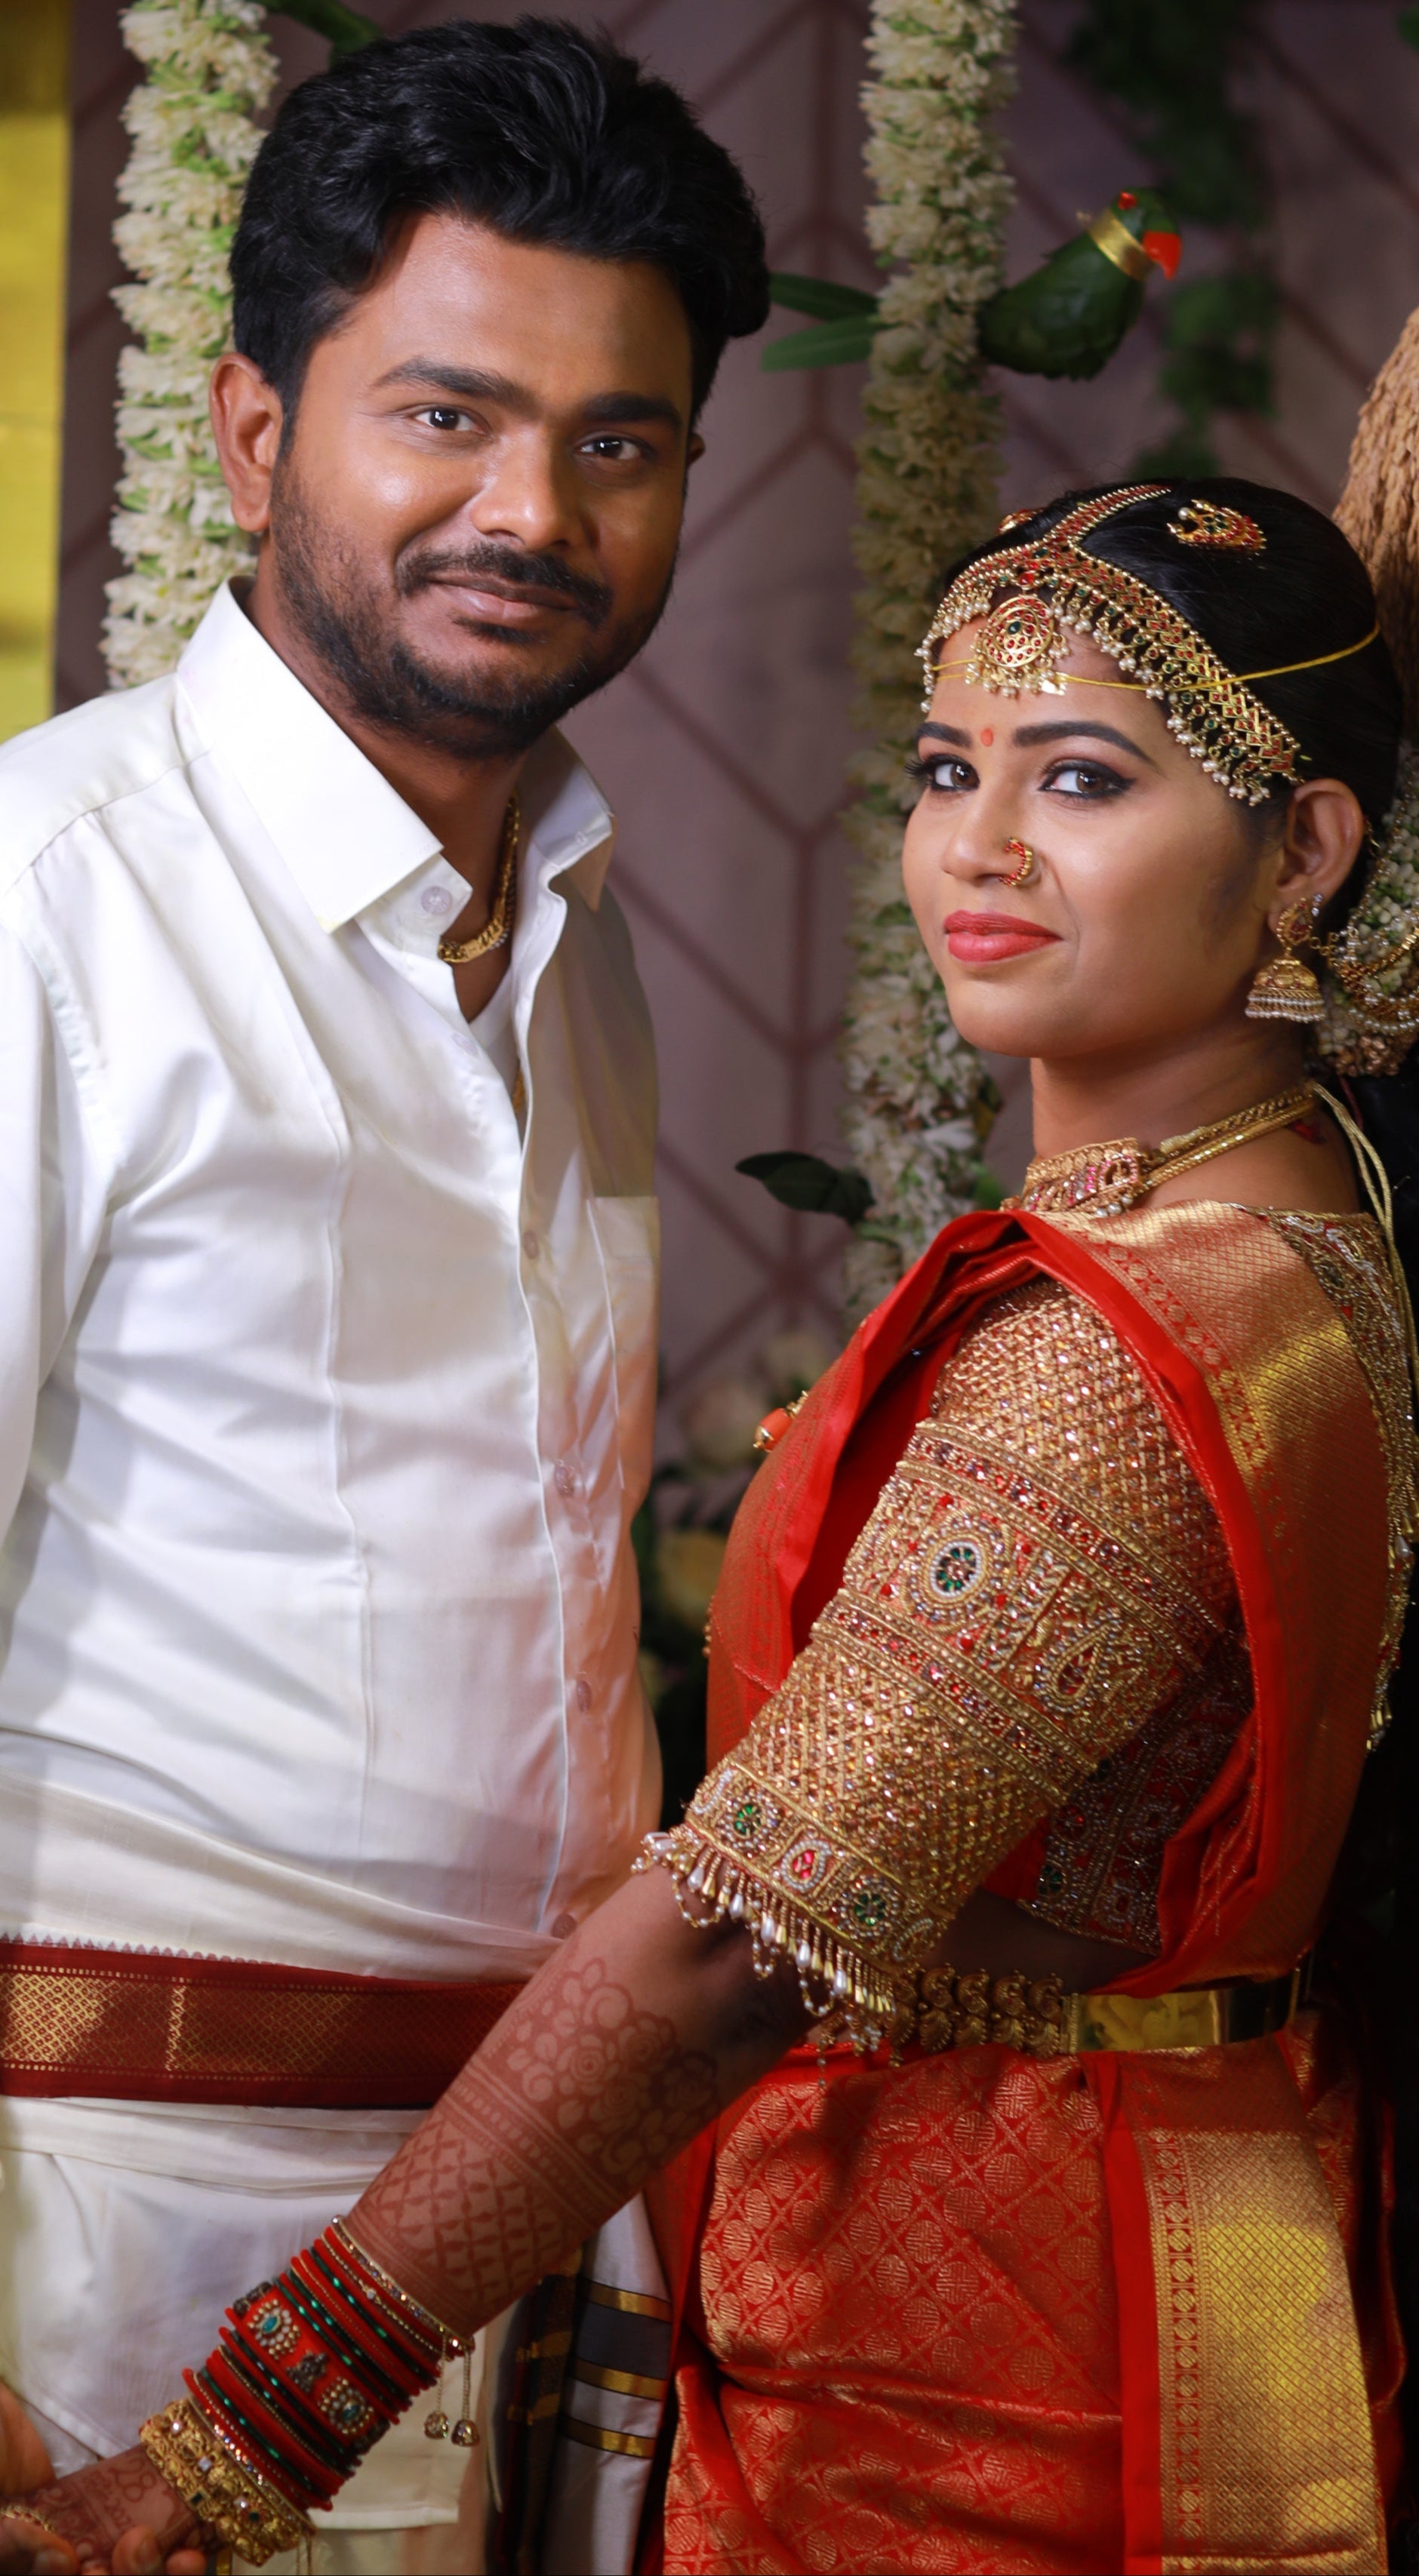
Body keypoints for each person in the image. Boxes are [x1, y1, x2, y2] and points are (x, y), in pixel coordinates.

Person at [14, 478, 1419, 2574]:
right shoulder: (1286, 1209)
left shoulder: (1123, 1347)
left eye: (1082, 780)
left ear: (1307, 849)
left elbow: (732, 1946)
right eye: (952, 768)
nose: (979, 846)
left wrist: (238, 2442)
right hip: (1112, 2248)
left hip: (983, 2359)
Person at [0, 20, 765, 2575]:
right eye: (445, 415)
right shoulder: (47, 909)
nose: (532, 511)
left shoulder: (577, 943)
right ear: (252, 429)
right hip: (97, 2256)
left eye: (619, 441)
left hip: (508, 2241)